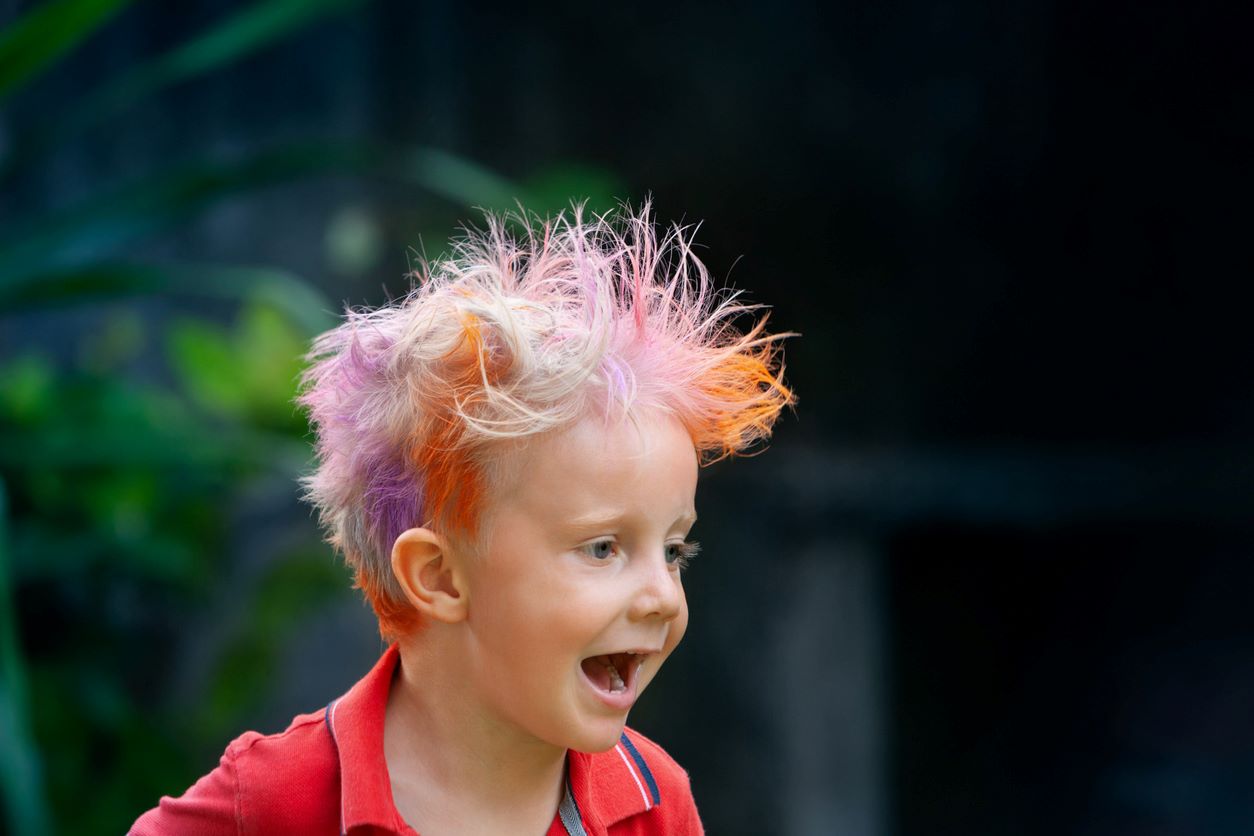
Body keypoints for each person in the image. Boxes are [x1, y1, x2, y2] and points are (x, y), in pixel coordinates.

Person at [130, 203, 794, 835]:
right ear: (442, 578)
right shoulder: (274, 802)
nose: (661, 597)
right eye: (602, 548)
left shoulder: (651, 803)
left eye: (675, 551)